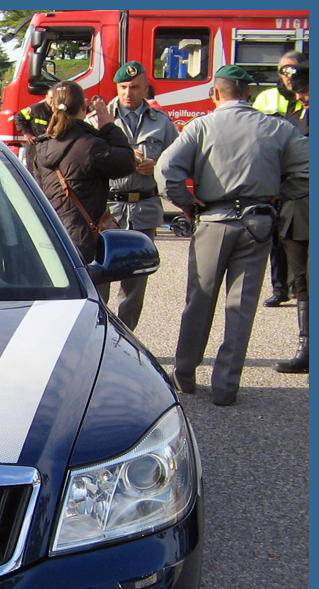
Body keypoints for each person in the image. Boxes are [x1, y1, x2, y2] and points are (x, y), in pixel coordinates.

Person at [156, 64, 309, 406]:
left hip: (214, 218)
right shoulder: (276, 127)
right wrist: (280, 192)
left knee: (200, 300)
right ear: (249, 94)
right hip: (257, 221)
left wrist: (187, 203)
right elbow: (307, 168)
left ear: (215, 94)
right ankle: (226, 387)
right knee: (241, 307)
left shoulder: (202, 126)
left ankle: (185, 375)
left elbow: (166, 169)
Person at [100, 61, 179, 330]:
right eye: (123, 87)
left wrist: (156, 165)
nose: (128, 93)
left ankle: (125, 338)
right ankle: (97, 334)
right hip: (107, 209)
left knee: (134, 285)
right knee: (98, 279)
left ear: (145, 87)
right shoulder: (99, 118)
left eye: (134, 87)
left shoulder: (162, 122)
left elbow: (176, 161)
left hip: (143, 208)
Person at [34, 81, 136, 265]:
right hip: (84, 241)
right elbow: (127, 163)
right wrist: (108, 127)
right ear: (84, 106)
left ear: (52, 106)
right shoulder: (91, 145)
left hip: (50, 237)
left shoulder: (41, 146)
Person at [254, 50, 306, 307]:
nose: (288, 76)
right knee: (276, 238)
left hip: (297, 180)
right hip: (275, 177)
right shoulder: (266, 98)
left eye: (292, 70)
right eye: (284, 70)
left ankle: (300, 287)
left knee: (296, 236)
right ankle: (279, 288)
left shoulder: (305, 99)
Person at [274, 60, 309, 373]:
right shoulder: (294, 118)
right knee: (303, 282)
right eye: (299, 93)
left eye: (307, 92)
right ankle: (307, 348)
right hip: (298, 211)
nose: (301, 98)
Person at [13, 88, 53, 182]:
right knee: (33, 173)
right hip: (35, 145)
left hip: (50, 147)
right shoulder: (36, 109)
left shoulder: (58, 111)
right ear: (46, 97)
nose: (53, 101)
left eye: (55, 98)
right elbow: (19, 117)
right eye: (51, 98)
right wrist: (26, 133)